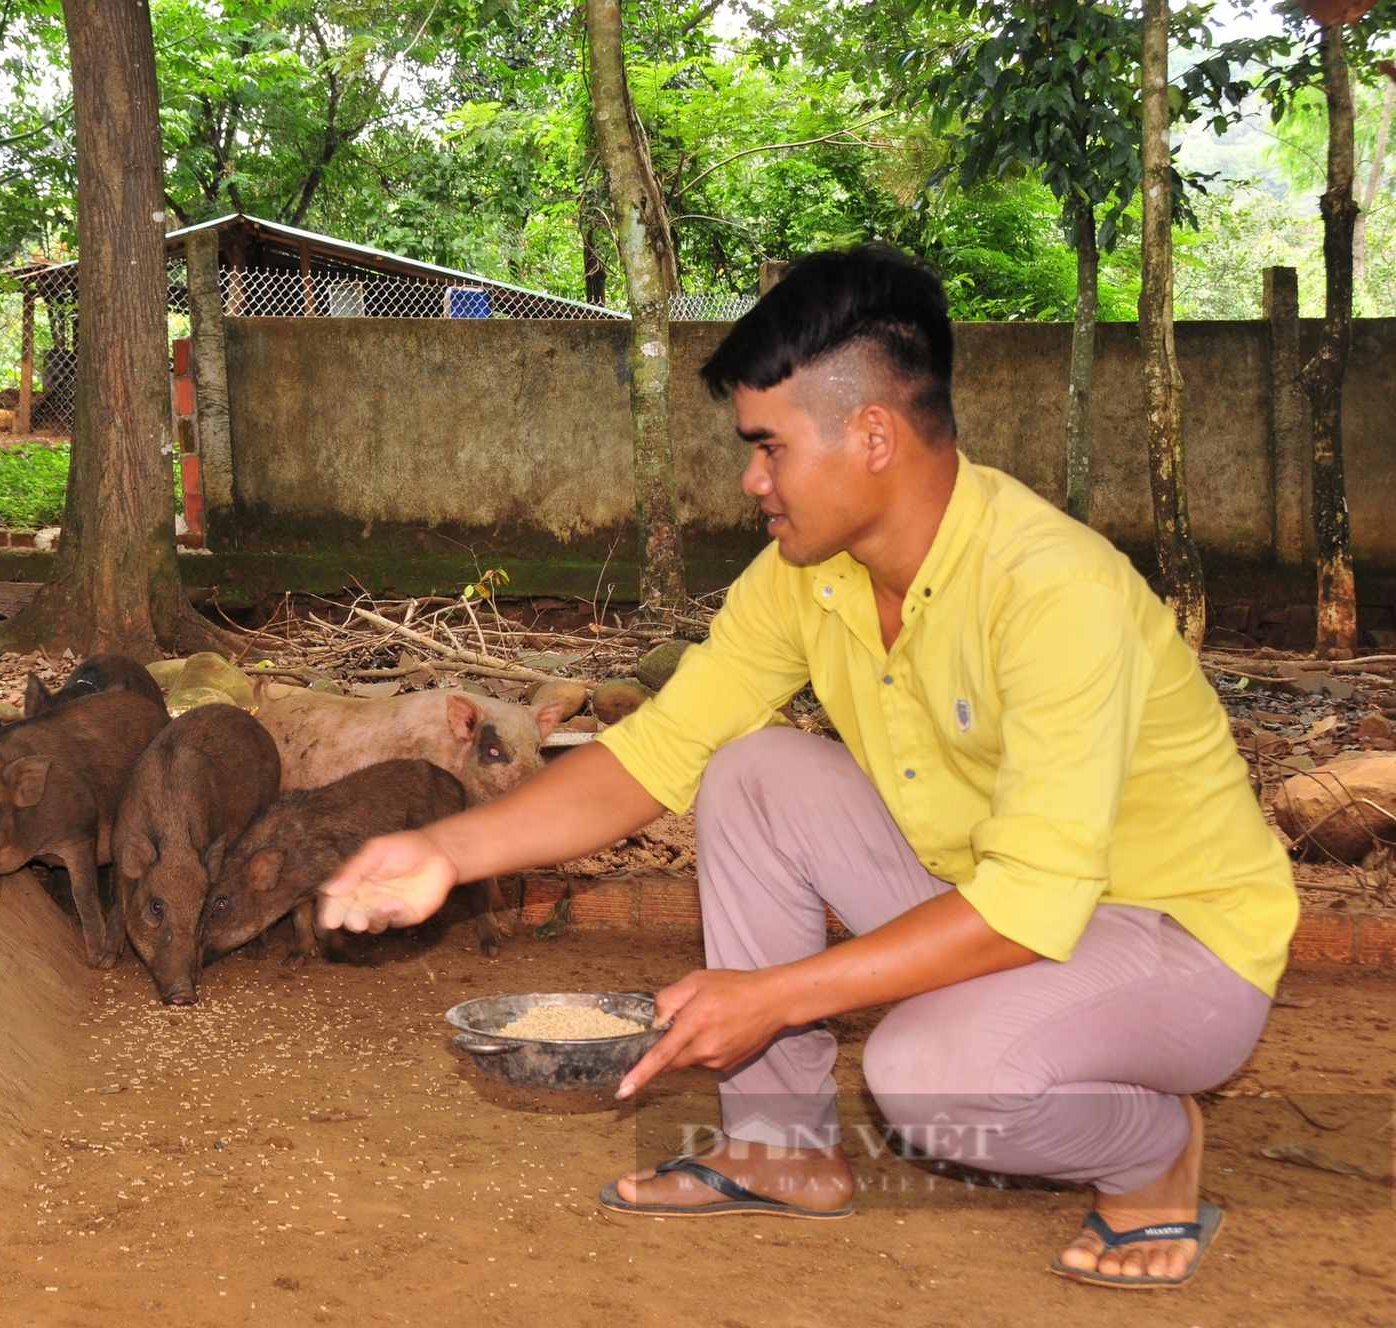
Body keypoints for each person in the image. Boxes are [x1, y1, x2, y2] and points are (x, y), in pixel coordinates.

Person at [315, 247, 1296, 1291]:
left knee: (925, 1076)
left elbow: (1029, 900)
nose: (750, 479)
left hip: (1177, 946)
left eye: (767, 447)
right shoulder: (805, 574)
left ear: (871, 435)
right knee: (750, 769)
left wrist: (774, 994)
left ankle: (1149, 1149)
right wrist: (440, 850)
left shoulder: (1052, 590)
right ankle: (776, 1146)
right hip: (999, 900)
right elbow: (655, 752)